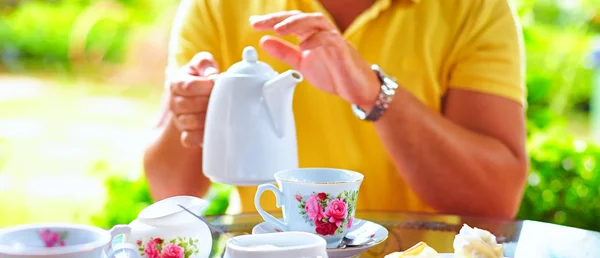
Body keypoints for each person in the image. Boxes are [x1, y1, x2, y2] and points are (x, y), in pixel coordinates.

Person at [143, 0, 528, 219]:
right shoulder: (217, 6)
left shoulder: (475, 8)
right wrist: (193, 110)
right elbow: (171, 191)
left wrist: (377, 95)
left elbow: (494, 202)